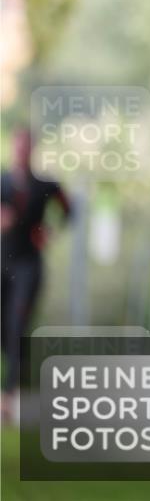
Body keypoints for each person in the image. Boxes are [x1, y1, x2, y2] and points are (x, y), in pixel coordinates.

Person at [1, 127, 73, 424]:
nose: (22, 151)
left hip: (29, 266)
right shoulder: (2, 182)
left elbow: (69, 209)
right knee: (4, 329)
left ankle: (9, 396)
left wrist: (49, 231)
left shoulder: (46, 184)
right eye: (18, 146)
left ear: (32, 149)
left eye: (26, 146)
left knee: (18, 325)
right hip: (2, 262)